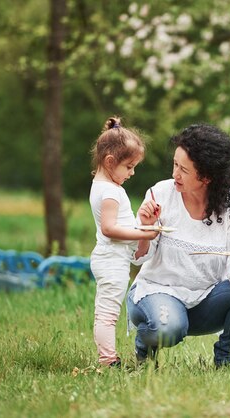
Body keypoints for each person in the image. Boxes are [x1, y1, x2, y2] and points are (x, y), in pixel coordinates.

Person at [127, 123, 230, 368]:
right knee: (169, 327)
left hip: (206, 301)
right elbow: (138, 258)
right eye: (175, 164)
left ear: (206, 176)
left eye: (183, 170)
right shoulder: (160, 193)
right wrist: (145, 229)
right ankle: (144, 348)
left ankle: (226, 360)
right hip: (158, 292)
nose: (175, 174)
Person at [89, 116, 160, 367]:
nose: (132, 173)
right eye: (129, 166)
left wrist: (144, 225)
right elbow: (110, 229)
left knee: (109, 312)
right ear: (110, 162)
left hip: (113, 259)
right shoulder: (110, 191)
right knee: (107, 314)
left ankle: (109, 358)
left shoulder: (104, 186)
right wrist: (144, 234)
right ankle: (108, 361)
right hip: (111, 261)